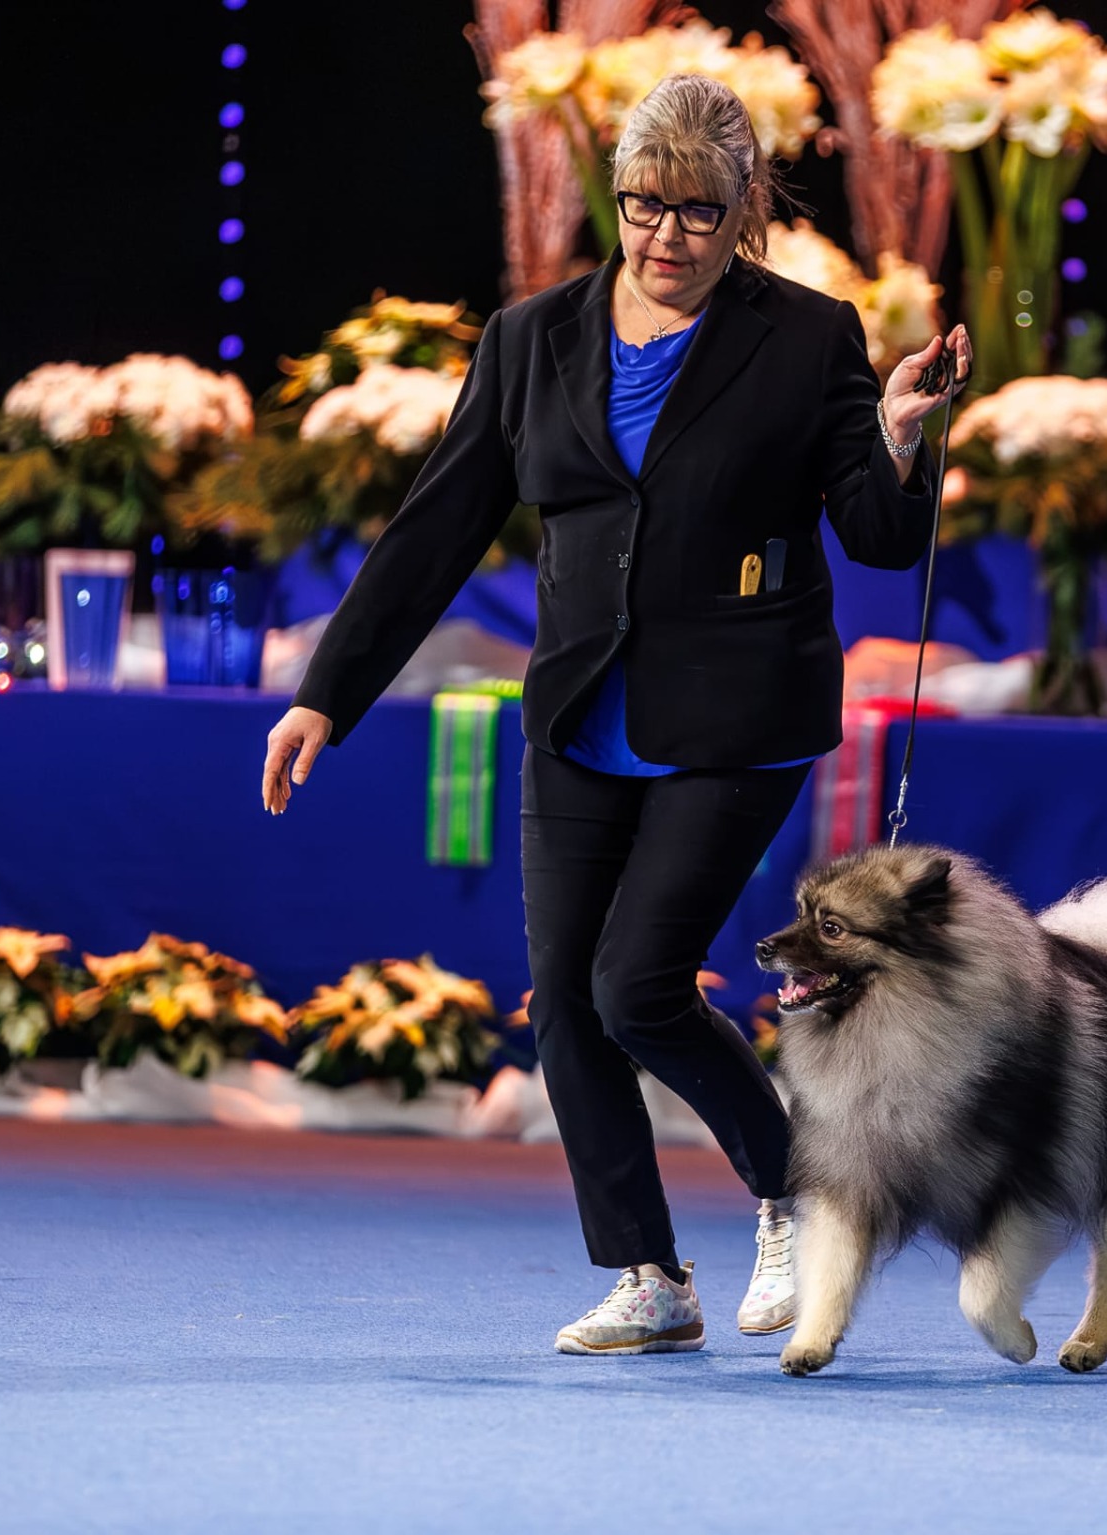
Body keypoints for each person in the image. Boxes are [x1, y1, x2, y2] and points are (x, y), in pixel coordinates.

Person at [260, 72, 970, 1356]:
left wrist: (903, 437)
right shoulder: (532, 339)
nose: (665, 237)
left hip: (740, 711)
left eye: (699, 215)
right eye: (645, 205)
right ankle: (648, 1272)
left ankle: (797, 1189)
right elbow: (435, 532)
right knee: (563, 998)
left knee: (636, 983)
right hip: (583, 707)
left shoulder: (808, 335)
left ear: (745, 210)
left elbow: (875, 532)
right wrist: (327, 696)